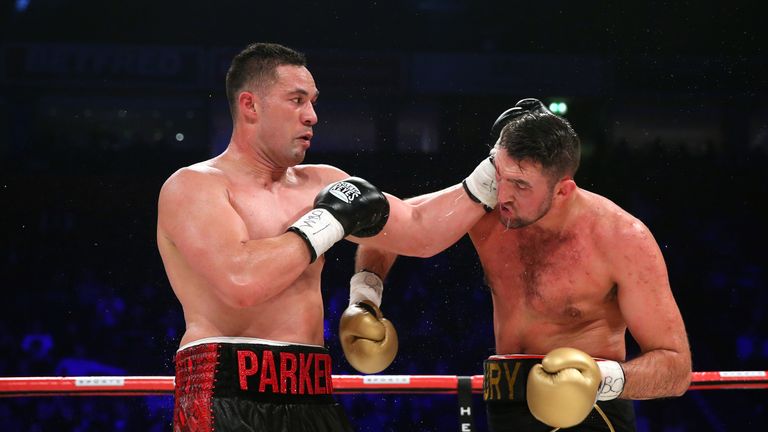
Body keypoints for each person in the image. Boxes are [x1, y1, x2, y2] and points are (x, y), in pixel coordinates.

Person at [156, 42, 498, 432]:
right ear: (250, 105)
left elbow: (420, 231)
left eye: (313, 102)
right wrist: (327, 221)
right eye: (297, 100)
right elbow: (241, 282)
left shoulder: (324, 182)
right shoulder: (194, 187)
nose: (312, 116)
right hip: (225, 393)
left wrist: (496, 168)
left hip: (312, 392)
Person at [350, 99, 692, 431]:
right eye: (500, 177)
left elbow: (675, 368)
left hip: (590, 412)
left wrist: (598, 380)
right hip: (505, 401)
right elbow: (386, 228)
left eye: (521, 185)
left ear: (562, 190)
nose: (503, 194)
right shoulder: (484, 209)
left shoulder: (621, 238)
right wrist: (364, 299)